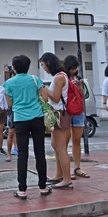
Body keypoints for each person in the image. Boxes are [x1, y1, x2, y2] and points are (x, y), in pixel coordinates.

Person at [4, 55, 51, 199]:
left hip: (20, 119)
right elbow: (45, 98)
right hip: (37, 117)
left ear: (15, 68)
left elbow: (9, 104)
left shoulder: (8, 83)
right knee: (40, 152)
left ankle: (22, 190)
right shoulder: (35, 79)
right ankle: (43, 186)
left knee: (22, 154)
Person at [39, 52, 72, 190]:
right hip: (59, 113)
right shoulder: (61, 76)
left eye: (43, 65)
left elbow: (56, 98)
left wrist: (45, 91)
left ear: (48, 62)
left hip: (59, 113)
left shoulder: (59, 78)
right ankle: (59, 174)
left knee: (61, 147)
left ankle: (66, 178)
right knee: (56, 145)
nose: (43, 68)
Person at [63, 55, 90, 180]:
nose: (74, 71)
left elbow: (82, 97)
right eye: (72, 68)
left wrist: (79, 88)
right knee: (65, 141)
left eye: (75, 68)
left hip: (78, 111)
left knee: (77, 140)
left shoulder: (78, 79)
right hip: (67, 111)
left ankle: (77, 167)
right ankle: (66, 170)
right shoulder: (62, 78)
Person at [5, 69, 19, 162]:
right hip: (12, 111)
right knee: (11, 133)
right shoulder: (8, 85)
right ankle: (9, 154)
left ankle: (16, 148)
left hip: (20, 111)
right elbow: (8, 103)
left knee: (18, 133)